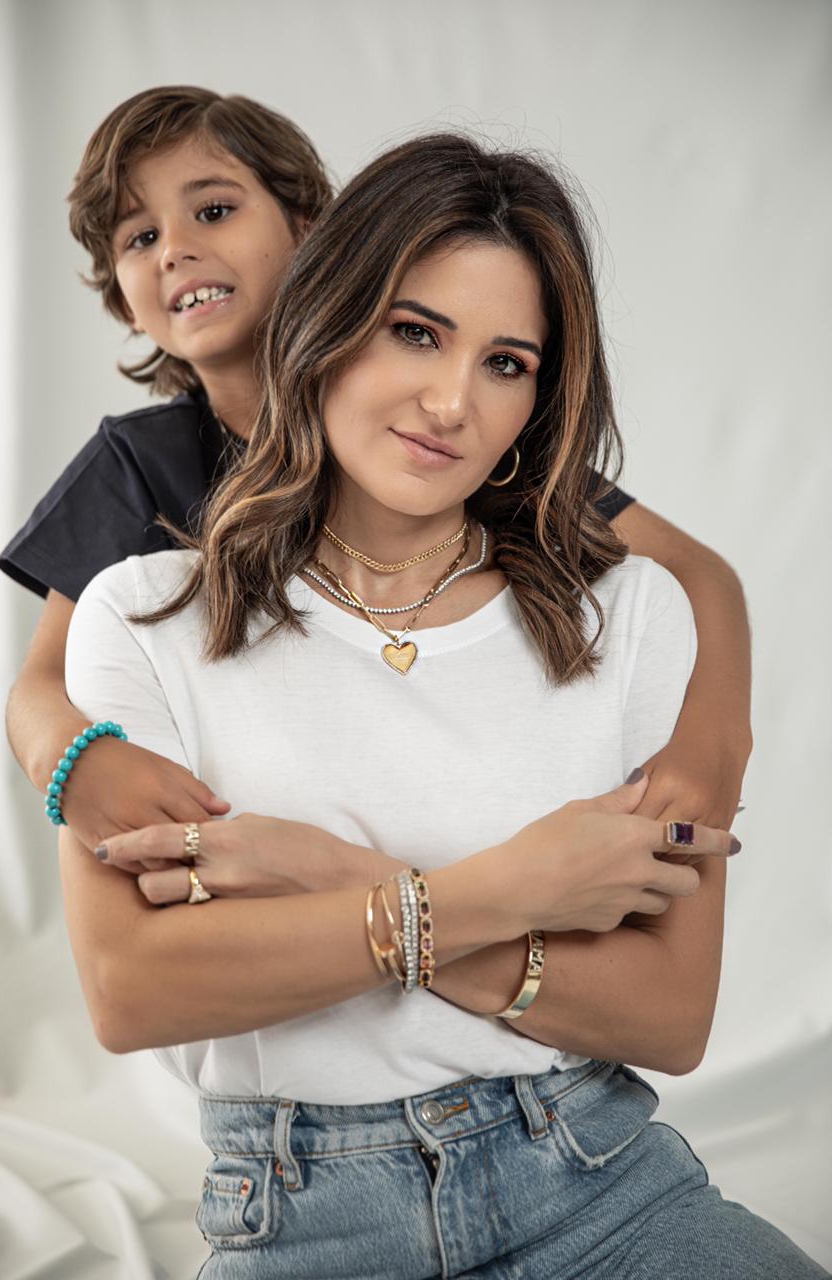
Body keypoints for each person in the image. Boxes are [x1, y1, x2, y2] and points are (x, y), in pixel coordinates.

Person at [59, 133, 825, 1278]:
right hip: (302, 1216)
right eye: (416, 331)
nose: (452, 400)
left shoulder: (629, 615)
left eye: (506, 362)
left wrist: (328, 876)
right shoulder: (140, 617)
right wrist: (510, 890)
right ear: (324, 320)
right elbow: (134, 988)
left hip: (600, 1180)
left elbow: (669, 1015)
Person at [0, 86, 751, 859]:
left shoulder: (442, 435)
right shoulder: (138, 464)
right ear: (122, 301)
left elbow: (698, 573)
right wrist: (72, 758)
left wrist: (714, 738)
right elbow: (40, 685)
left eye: (214, 210)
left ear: (313, 232)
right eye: (139, 237)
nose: (174, 250)